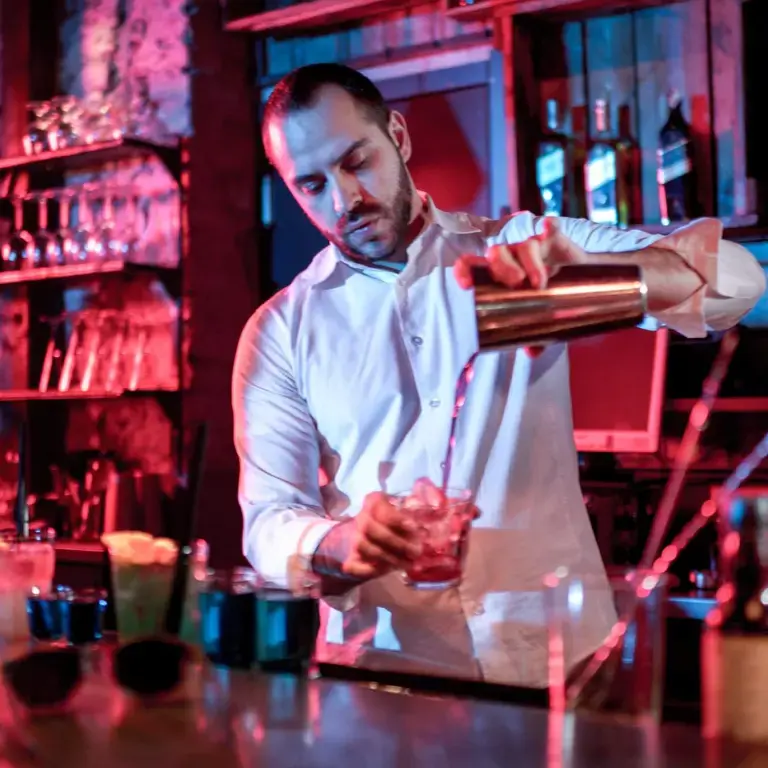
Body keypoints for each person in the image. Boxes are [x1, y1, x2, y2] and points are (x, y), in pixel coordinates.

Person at [233, 63, 765, 687]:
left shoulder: (521, 252)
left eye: (357, 161)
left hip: (558, 662)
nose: (344, 199)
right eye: (312, 184)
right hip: (385, 675)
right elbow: (268, 520)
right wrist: (341, 544)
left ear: (398, 137)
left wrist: (593, 272)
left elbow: (739, 285)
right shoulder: (280, 331)